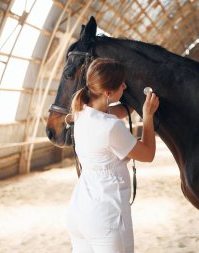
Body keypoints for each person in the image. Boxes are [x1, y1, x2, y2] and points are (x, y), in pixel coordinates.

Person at [66, 58, 159, 253]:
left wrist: (132, 106)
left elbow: (113, 112)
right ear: (108, 93)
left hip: (80, 210)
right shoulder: (111, 127)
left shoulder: (81, 111)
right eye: (121, 84)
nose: (125, 86)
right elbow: (148, 154)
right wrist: (148, 116)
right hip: (106, 217)